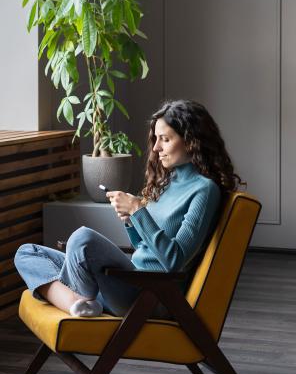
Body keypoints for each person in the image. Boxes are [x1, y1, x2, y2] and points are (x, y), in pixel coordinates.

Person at [14, 99, 241, 318]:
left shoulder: (204, 190)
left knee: (82, 238)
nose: (156, 147)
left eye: (165, 139)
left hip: (150, 294)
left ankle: (77, 298)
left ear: (191, 141)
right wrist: (130, 222)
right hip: (128, 280)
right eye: (155, 139)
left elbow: (174, 261)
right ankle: (77, 304)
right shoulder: (168, 182)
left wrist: (137, 211)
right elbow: (143, 247)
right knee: (27, 253)